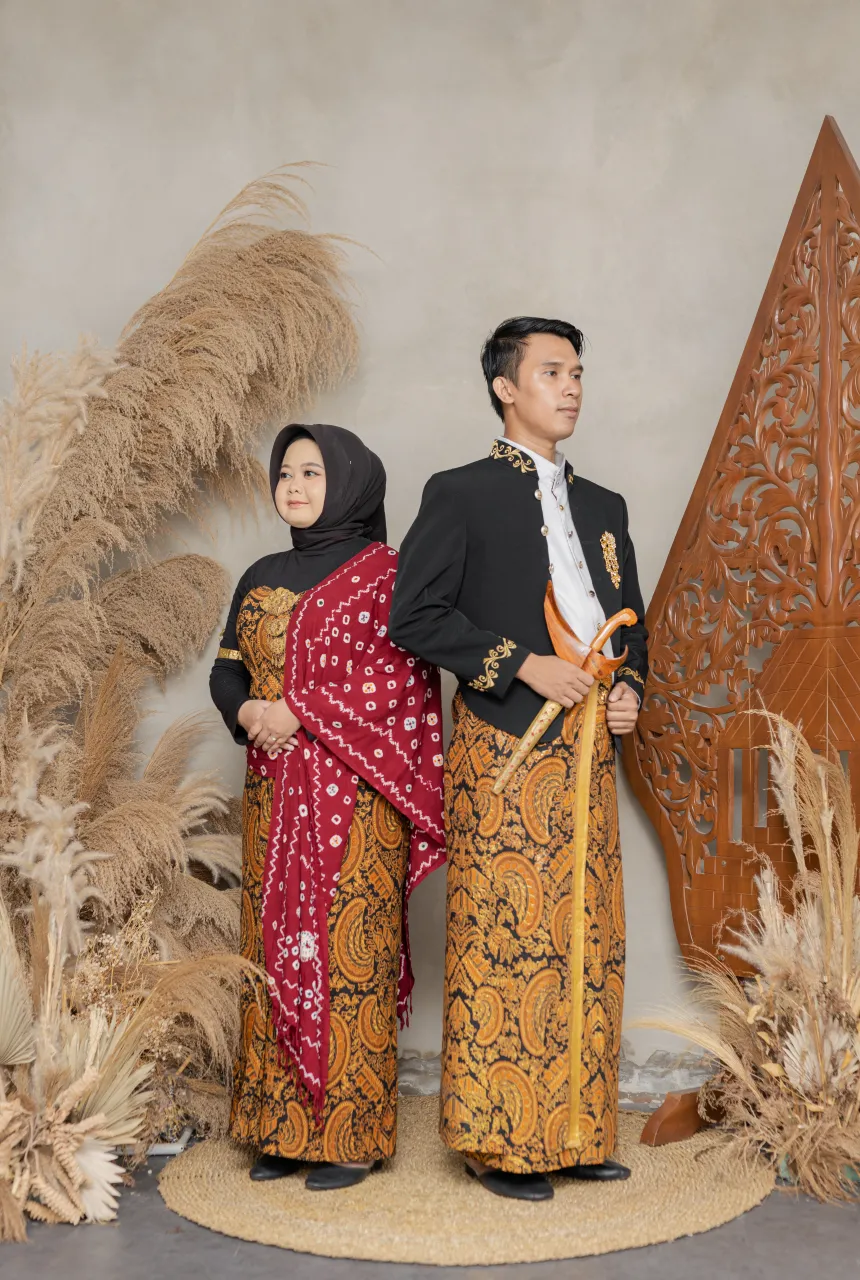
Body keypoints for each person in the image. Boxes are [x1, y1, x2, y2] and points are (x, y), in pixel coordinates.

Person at [389, 317, 648, 1201]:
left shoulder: (606, 507)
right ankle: (499, 1142)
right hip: (505, 745)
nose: (571, 387)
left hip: (589, 752)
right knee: (507, 939)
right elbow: (414, 616)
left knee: (588, 938)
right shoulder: (459, 492)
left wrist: (629, 689)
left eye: (578, 373)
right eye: (551, 372)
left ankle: (577, 1133)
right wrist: (520, 664)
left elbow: (634, 626)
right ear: (506, 387)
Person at [210, 424, 445, 1191]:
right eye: (286, 472)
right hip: (273, 796)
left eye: (312, 472)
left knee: (348, 957)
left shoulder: (386, 574)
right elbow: (227, 671)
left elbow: (402, 681)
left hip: (357, 804)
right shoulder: (260, 574)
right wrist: (250, 712)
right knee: (276, 952)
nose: (295, 485)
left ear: (350, 482)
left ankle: (349, 1136)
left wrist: (299, 711)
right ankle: (281, 1130)